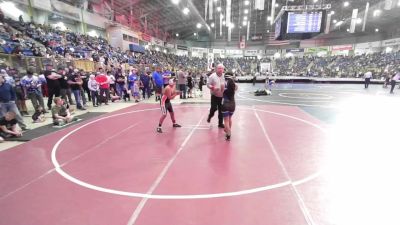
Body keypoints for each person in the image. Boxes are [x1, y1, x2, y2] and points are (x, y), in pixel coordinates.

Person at [207, 63, 225, 128]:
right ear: (216, 69)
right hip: (214, 95)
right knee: (214, 108)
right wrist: (213, 88)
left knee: (221, 110)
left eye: (222, 68)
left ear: (223, 69)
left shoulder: (224, 76)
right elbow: (208, 84)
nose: (220, 70)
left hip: (222, 96)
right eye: (219, 68)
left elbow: (227, 84)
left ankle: (220, 123)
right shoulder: (212, 76)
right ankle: (210, 116)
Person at [222, 73, 238, 141]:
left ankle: (228, 134)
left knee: (226, 121)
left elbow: (219, 92)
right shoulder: (234, 85)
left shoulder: (222, 84)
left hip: (225, 104)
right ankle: (228, 131)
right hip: (233, 104)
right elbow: (235, 89)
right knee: (229, 119)